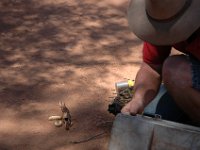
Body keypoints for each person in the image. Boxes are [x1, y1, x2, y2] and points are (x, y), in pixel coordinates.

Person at [121, 0, 200, 125]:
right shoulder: (164, 20)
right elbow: (151, 67)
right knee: (151, 114)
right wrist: (138, 100)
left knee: (175, 70)